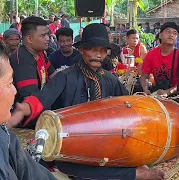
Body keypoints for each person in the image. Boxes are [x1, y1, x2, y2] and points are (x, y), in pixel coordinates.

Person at [9, 23, 167, 180]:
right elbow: (42, 98)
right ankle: (135, 174)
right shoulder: (65, 76)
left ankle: (137, 168)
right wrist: (23, 110)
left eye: (102, 51)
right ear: (82, 50)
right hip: (71, 145)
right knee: (75, 167)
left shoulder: (110, 79)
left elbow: (129, 104)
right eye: (92, 49)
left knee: (131, 151)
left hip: (105, 140)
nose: (98, 55)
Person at [0, 41, 57, 180]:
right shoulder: (22, 58)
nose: (14, 91)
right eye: (9, 83)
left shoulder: (5, 138)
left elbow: (34, 173)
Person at [9, 16, 56, 105]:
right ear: (29, 39)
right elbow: (30, 99)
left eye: (47, 34)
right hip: (27, 112)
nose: (47, 38)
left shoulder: (40, 53)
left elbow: (54, 75)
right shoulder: (23, 60)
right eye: (43, 35)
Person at [140, 22, 179, 97]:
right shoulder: (151, 54)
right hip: (156, 94)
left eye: (175, 33)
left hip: (176, 97)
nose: (171, 35)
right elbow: (144, 76)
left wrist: (168, 92)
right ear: (160, 35)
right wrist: (145, 89)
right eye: (168, 32)